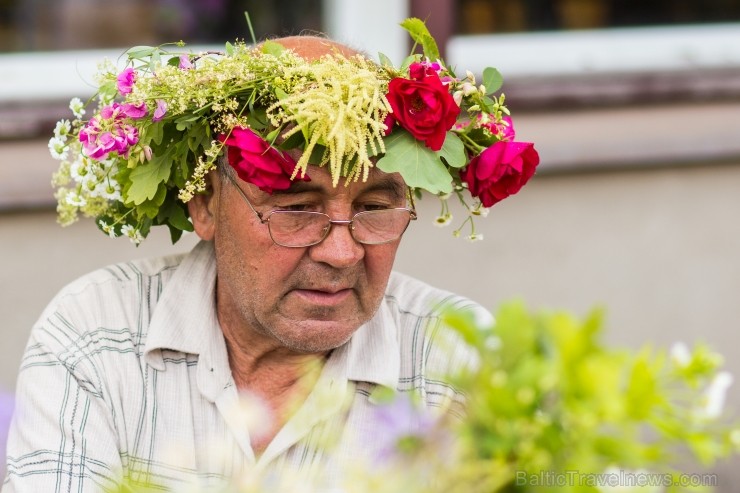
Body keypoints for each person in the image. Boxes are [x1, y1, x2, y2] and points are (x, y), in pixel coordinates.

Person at [3, 20, 538, 492]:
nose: (340, 251)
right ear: (206, 204)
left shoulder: (460, 357)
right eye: (296, 208)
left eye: (375, 206)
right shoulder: (96, 338)